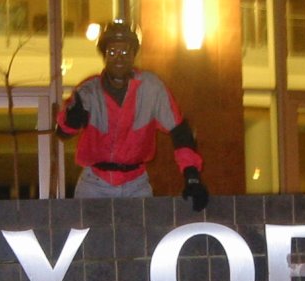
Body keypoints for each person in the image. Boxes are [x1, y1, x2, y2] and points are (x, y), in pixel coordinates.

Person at [55, 20, 209, 211]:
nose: (119, 58)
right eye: (112, 52)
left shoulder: (151, 89)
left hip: (136, 184)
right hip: (94, 185)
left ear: (134, 55)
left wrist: (191, 175)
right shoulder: (88, 91)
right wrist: (71, 119)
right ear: (104, 56)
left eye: (125, 51)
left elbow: (180, 131)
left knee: (142, 239)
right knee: (90, 240)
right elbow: (62, 133)